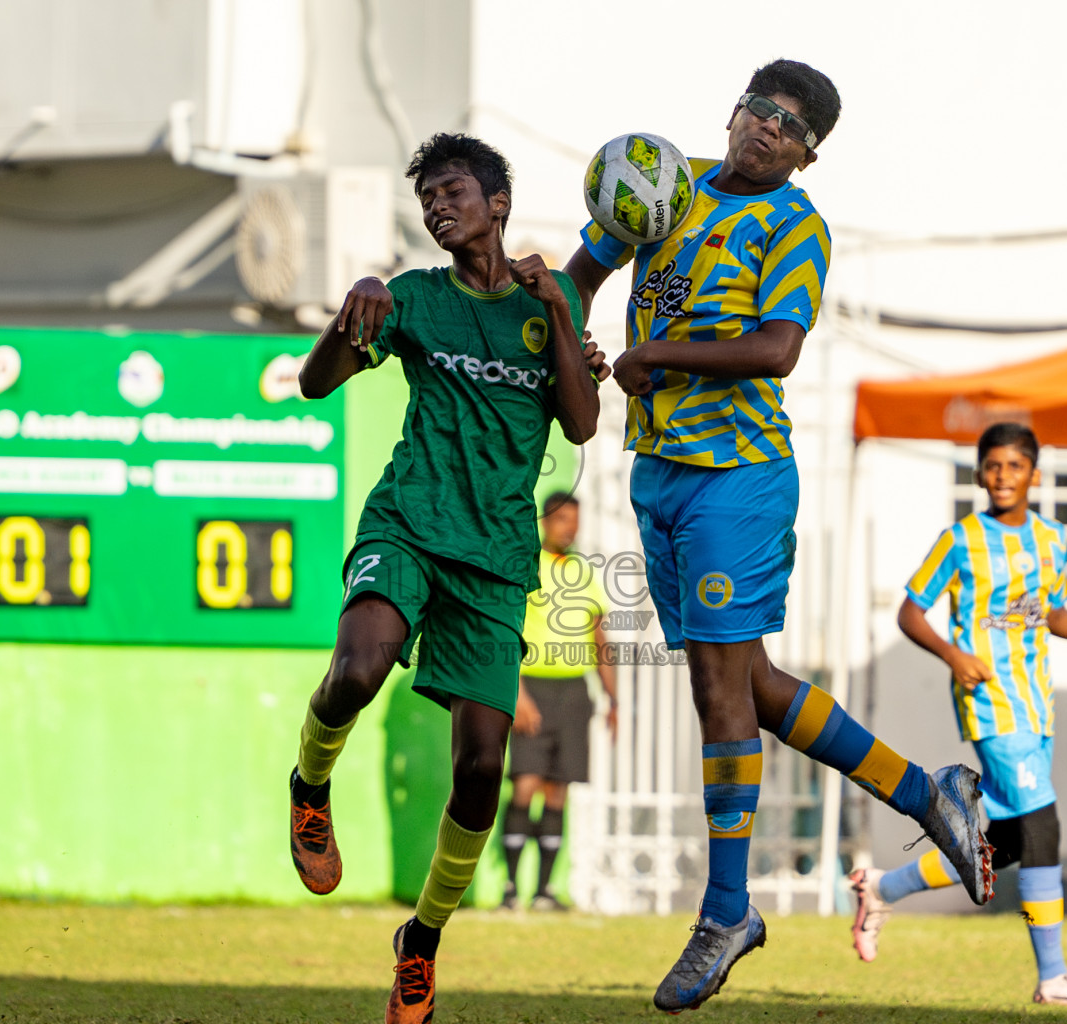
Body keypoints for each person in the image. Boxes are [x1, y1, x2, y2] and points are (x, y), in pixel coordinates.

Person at [563, 59, 992, 1013]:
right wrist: (547, 310)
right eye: (761, 110)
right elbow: (581, 272)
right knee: (745, 686)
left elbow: (776, 351)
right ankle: (928, 794)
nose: (769, 130)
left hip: (740, 477)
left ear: (808, 157)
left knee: (722, 694)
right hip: (661, 476)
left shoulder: (794, 226)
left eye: (793, 129)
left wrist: (653, 353)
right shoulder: (661, 187)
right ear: (734, 110)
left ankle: (726, 912)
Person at [286, 132, 601, 1024]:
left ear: (498, 202)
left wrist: (566, 322)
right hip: (410, 524)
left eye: (452, 189)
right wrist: (352, 310)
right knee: (357, 670)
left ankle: (419, 943)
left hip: (497, 561)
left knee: (480, 773)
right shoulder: (413, 298)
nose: (437, 206)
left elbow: (579, 425)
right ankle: (311, 789)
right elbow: (316, 385)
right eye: (427, 197)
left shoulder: (550, 306)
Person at [848, 422, 1067, 1009]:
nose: (1003, 477)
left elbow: (1046, 612)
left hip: (1036, 701)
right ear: (979, 475)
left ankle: (882, 888)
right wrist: (953, 654)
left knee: (1011, 839)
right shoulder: (961, 540)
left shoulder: (1051, 538)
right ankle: (1053, 977)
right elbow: (910, 612)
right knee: (1044, 825)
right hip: (990, 702)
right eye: (993, 467)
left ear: (1034, 475)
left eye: (1015, 466)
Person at [500, 491, 617, 912]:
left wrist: (613, 698)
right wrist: (517, 694)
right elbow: (507, 633)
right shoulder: (525, 565)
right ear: (545, 522)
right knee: (525, 785)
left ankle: (545, 891)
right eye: (563, 519)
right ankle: (511, 888)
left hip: (573, 692)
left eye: (576, 520)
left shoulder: (583, 572)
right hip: (532, 686)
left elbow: (598, 636)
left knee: (557, 791)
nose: (571, 527)